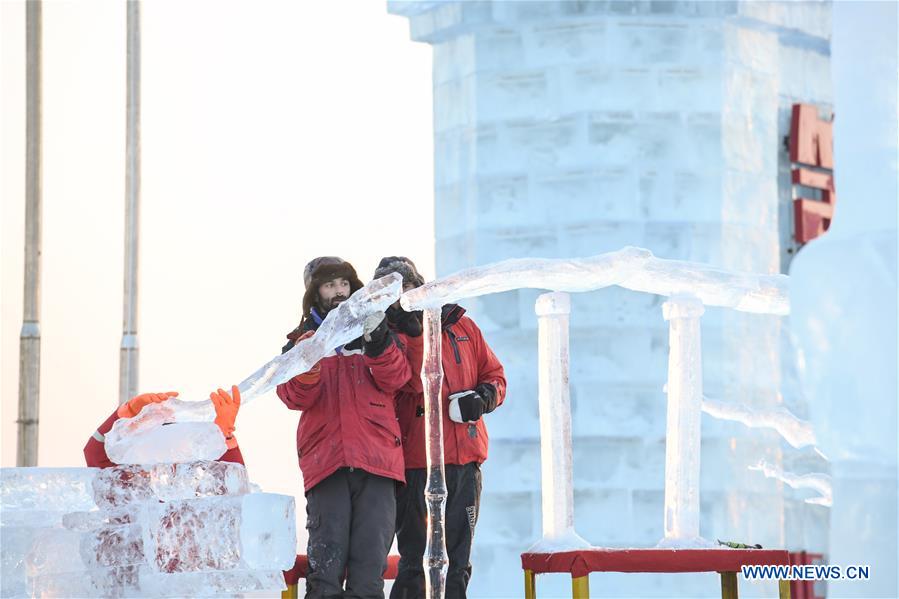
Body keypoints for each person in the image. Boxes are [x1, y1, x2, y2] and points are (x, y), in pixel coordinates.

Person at [276, 256, 412, 599]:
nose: (338, 291)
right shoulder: (299, 341)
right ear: (315, 293)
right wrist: (309, 359)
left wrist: (378, 340)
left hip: (377, 461)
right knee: (326, 572)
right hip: (327, 463)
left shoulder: (376, 328)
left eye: (343, 284)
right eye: (329, 284)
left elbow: (398, 378)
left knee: (369, 575)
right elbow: (292, 396)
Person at [372, 256, 507, 599]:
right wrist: (413, 331)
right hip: (417, 465)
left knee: (458, 561)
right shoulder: (387, 336)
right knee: (416, 560)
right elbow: (408, 382)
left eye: (406, 286)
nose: (403, 295)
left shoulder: (462, 326)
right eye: (393, 290)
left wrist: (482, 398)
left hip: (466, 461)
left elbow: (495, 375)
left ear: (420, 286)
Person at [83, 386, 244, 468]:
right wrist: (128, 414)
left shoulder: (192, 486)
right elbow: (96, 453)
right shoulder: (129, 486)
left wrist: (222, 436)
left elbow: (232, 489)